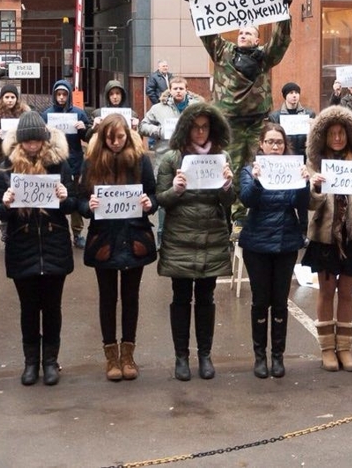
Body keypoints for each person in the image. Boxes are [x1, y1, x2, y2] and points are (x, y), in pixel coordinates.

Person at [187, 0, 293, 229]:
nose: (244, 35)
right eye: (241, 32)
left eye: (250, 33)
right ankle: (234, 218)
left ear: (257, 40)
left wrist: (284, 12)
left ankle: (260, 213)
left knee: (260, 165)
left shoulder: (264, 57)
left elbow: (280, 41)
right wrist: (195, 2)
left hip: (257, 123)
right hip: (229, 122)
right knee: (231, 169)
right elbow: (207, 31)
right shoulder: (223, 51)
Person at [0, 112, 75, 387]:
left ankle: (50, 361)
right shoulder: (6, 168)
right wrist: (5, 203)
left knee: (52, 307)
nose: (32, 146)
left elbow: (73, 205)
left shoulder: (58, 164)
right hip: (22, 243)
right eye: (27, 141)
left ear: (44, 140)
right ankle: (31, 362)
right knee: (28, 308)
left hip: (53, 243)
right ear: (20, 141)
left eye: (36, 141)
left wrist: (65, 197)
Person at [157, 103, 235, 381]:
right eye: (195, 126)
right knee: (180, 298)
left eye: (205, 127)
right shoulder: (171, 159)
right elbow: (160, 200)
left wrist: (227, 185)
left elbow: (229, 201)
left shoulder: (221, 156)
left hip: (211, 235)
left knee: (206, 298)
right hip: (180, 236)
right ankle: (181, 357)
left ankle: (205, 355)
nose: (200, 132)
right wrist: (175, 190)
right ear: (186, 128)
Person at [79, 114, 158, 381]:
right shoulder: (91, 163)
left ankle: (128, 355)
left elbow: (154, 194)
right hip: (104, 239)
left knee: (131, 297)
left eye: (120, 138)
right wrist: (87, 208)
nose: (115, 143)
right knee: (107, 298)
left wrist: (149, 204)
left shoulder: (140, 160)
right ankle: (111, 356)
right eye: (110, 138)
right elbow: (80, 202)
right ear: (103, 138)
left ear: (127, 136)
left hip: (134, 236)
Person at [304, 106, 352, 372]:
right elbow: (310, 205)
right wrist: (315, 187)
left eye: (341, 133)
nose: (337, 137)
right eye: (332, 133)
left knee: (346, 293)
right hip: (325, 238)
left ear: (349, 134)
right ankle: (327, 349)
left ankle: (345, 349)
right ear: (324, 136)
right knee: (326, 292)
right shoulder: (314, 164)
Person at [238, 122, 309, 379]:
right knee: (260, 301)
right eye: (270, 142)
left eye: (279, 142)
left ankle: (278, 355)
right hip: (256, 243)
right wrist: (256, 181)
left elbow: (301, 203)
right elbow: (247, 199)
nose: (275, 147)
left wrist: (304, 183)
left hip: (285, 242)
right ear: (261, 144)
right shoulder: (249, 170)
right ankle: (260, 356)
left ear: (284, 145)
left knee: (280, 302)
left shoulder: (292, 169)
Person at [42, 79, 92, 248]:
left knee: (75, 197)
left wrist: (83, 128)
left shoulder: (78, 113)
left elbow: (88, 137)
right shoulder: (47, 114)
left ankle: (77, 233)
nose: (61, 98)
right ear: (54, 95)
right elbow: (40, 139)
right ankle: (54, 229)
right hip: (55, 162)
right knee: (57, 195)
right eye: (59, 94)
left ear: (69, 95)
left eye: (64, 94)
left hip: (75, 160)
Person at [139, 76, 203, 165]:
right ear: (170, 90)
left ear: (186, 90)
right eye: (175, 88)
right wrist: (159, 131)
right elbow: (142, 126)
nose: (178, 91)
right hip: (165, 156)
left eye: (181, 88)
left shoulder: (198, 108)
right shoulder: (158, 108)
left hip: (192, 156)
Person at [268, 81, 315, 163]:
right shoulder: (275, 116)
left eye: (296, 93)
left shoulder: (309, 114)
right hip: (285, 157)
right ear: (285, 96)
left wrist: (314, 126)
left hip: (305, 157)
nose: (294, 95)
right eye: (291, 93)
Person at [0, 83, 32, 152]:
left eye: (13, 97)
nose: (10, 100)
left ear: (17, 99)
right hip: (2, 153)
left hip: (21, 152)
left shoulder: (24, 114)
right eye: (7, 97)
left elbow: (30, 136)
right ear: (2, 98)